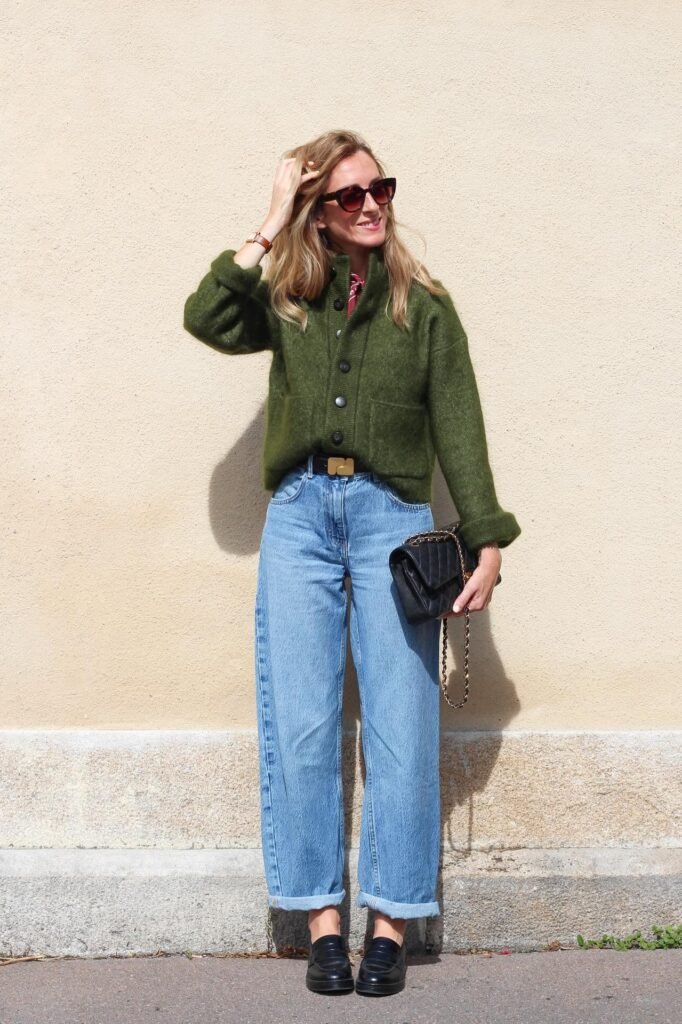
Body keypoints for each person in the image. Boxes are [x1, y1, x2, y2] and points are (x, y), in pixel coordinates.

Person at [183, 129, 521, 997]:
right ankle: (321, 925)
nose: (370, 205)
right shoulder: (288, 298)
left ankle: (390, 927)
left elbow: (460, 423)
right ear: (319, 212)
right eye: (347, 195)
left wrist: (485, 538)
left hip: (391, 522)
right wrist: (268, 221)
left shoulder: (425, 306)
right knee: (300, 724)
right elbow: (207, 318)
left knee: (402, 726)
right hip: (300, 515)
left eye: (381, 189)